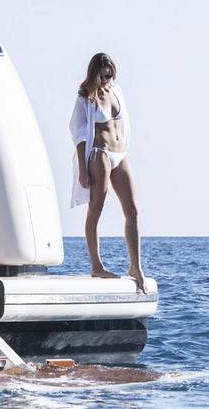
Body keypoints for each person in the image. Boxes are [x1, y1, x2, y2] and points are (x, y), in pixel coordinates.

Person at [69, 53, 146, 293]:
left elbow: (123, 125)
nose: (106, 79)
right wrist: (83, 169)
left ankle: (135, 266)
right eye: (102, 75)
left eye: (110, 75)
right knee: (96, 208)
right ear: (94, 73)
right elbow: (79, 134)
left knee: (132, 210)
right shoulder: (85, 98)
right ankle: (97, 265)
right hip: (99, 153)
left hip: (119, 153)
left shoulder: (117, 92)